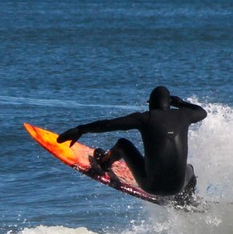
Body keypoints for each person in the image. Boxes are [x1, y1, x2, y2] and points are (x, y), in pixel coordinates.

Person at [57, 86, 207, 202]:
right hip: (177, 187)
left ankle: (104, 163)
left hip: (151, 185)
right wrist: (181, 103)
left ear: (150, 105)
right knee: (190, 169)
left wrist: (80, 130)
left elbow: (108, 125)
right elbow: (202, 112)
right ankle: (187, 198)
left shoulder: (144, 118)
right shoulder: (184, 114)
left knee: (122, 144)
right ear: (169, 105)